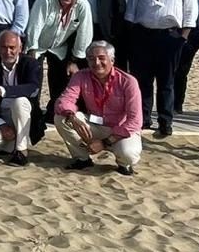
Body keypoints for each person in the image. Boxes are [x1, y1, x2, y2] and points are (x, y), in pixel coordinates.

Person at [122, 0, 198, 137]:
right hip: (143, 36)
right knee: (142, 81)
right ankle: (144, 119)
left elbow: (190, 12)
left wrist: (183, 38)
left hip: (170, 37)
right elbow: (131, 8)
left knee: (166, 82)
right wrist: (132, 35)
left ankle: (165, 121)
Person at [55, 42, 143, 175]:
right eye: (91, 59)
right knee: (61, 118)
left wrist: (105, 142)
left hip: (121, 129)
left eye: (101, 58)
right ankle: (82, 158)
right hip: (95, 124)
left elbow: (135, 121)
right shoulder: (80, 76)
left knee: (128, 154)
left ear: (112, 60)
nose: (96, 63)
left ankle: (123, 164)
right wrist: (72, 118)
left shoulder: (128, 82)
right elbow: (64, 100)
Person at [24, 0, 94, 117]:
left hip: (59, 47)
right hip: (38, 45)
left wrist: (74, 61)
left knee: (61, 81)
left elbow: (85, 34)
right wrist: (31, 51)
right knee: (33, 79)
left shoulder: (83, 5)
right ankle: (33, 114)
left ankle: (54, 113)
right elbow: (34, 25)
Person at [0, 30, 45, 165]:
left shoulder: (31, 63)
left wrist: (2, 90)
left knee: (19, 101)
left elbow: (33, 89)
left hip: (24, 114)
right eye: (4, 47)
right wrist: (1, 125)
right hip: (0, 114)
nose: (8, 51)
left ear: (20, 48)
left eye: (12, 47)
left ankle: (21, 151)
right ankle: (12, 144)